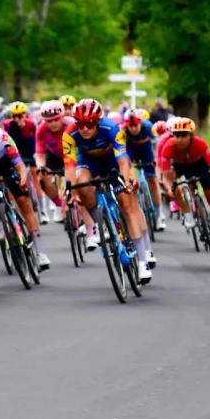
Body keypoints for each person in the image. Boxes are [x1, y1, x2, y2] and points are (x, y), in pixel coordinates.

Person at [63, 98, 154, 282]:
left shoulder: (111, 128)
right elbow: (70, 167)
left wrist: (126, 180)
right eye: (81, 123)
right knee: (81, 183)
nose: (85, 128)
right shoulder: (70, 134)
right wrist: (70, 190)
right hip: (88, 162)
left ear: (97, 121)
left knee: (127, 205)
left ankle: (143, 261)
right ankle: (100, 224)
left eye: (90, 123)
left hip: (112, 160)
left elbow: (122, 159)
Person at [0, 112, 51, 269]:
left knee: (24, 203)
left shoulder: (4, 139)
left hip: (5, 165)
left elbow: (19, 165)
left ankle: (40, 253)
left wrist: (23, 178)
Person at [160, 118, 210, 255]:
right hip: (181, 167)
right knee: (174, 188)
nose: (180, 139)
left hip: (200, 166)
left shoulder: (201, 144)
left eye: (184, 135)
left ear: (191, 136)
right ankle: (188, 214)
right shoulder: (168, 147)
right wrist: (169, 188)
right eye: (177, 136)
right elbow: (166, 176)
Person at [35, 101, 99, 249]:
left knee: (80, 187)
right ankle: (59, 205)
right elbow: (39, 154)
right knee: (42, 179)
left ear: (62, 117)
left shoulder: (71, 124)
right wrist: (41, 167)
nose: (53, 124)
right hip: (55, 157)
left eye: (56, 119)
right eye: (49, 121)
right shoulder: (41, 130)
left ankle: (90, 234)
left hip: (75, 155)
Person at [121, 109, 167, 231]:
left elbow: (156, 145)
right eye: (130, 126)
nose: (133, 129)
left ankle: (159, 215)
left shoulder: (149, 127)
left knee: (152, 179)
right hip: (131, 150)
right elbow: (121, 151)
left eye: (136, 125)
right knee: (130, 177)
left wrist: (157, 159)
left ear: (141, 123)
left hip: (146, 149)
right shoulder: (123, 130)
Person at [2, 102, 48, 224]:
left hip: (30, 152)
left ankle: (43, 211)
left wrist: (37, 155)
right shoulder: (7, 125)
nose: (17, 119)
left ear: (25, 115)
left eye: (20, 116)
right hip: (16, 153)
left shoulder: (31, 124)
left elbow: (38, 140)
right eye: (14, 116)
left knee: (36, 178)